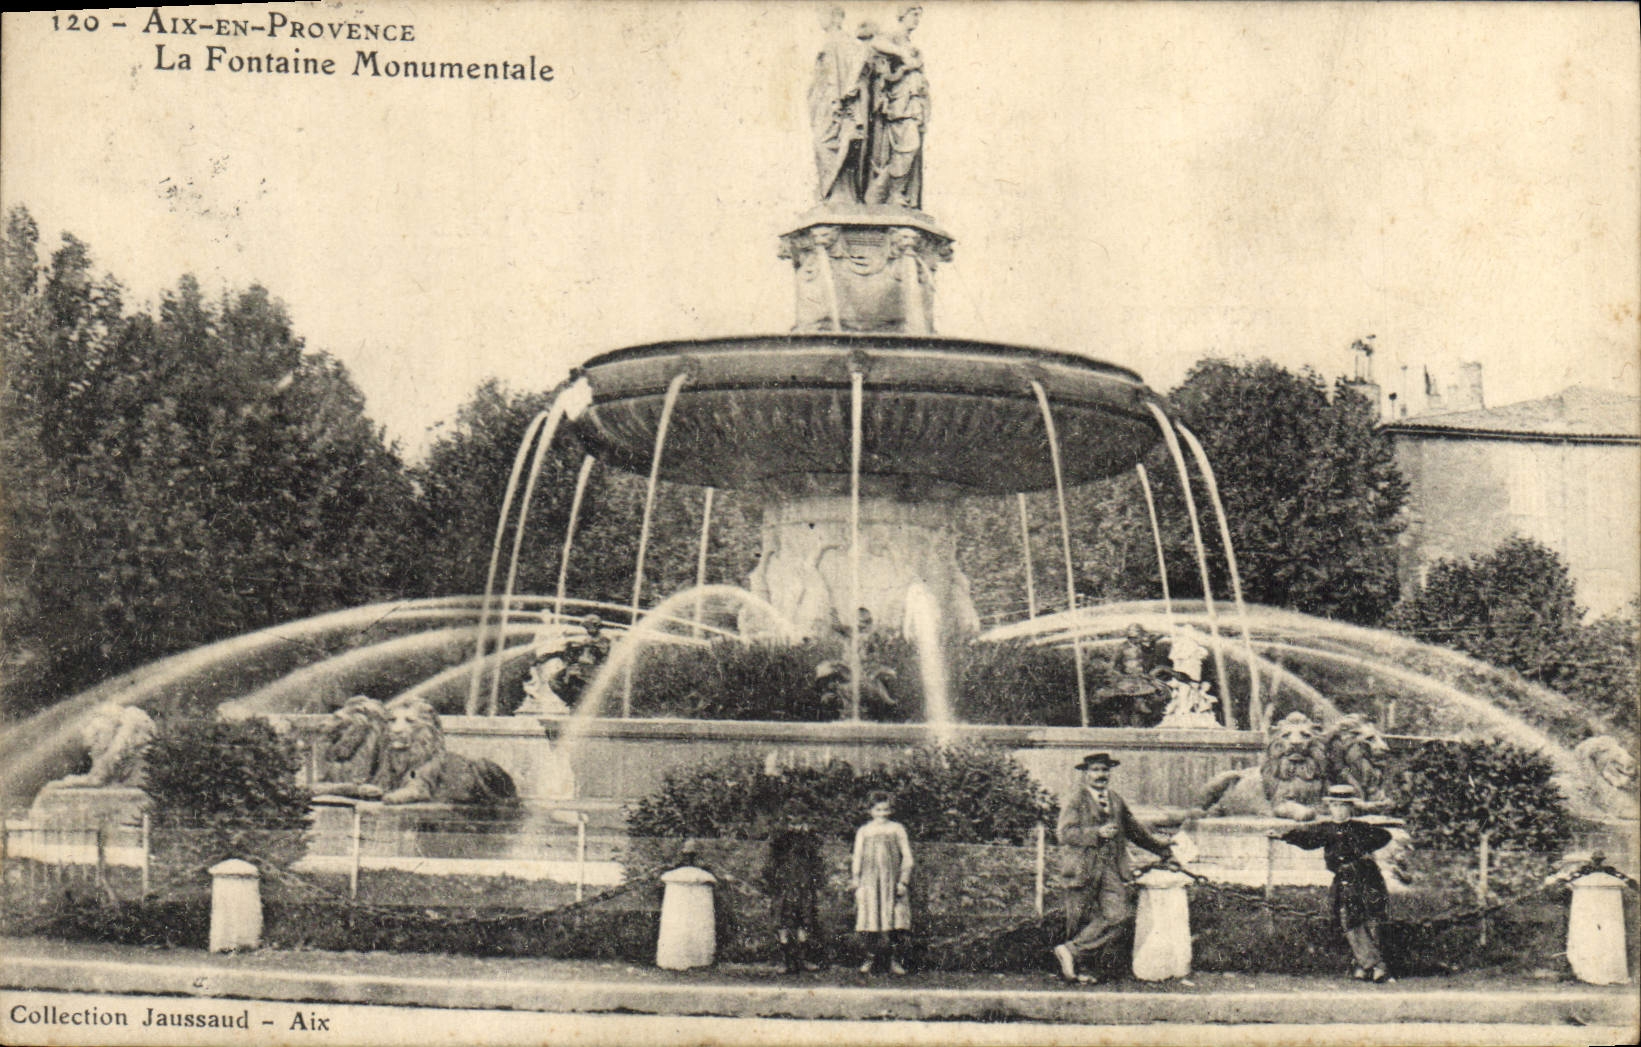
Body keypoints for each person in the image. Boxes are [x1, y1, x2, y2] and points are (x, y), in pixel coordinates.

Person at [1051, 752, 1173, 984]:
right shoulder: (1075, 799)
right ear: (1086, 774)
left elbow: (1135, 831)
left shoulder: (1115, 800)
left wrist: (1164, 850)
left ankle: (1071, 951)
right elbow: (1064, 833)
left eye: (1105, 770)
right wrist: (1096, 833)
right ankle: (1076, 970)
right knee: (1079, 918)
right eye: (1095, 770)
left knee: (1119, 915)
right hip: (1082, 867)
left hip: (1110, 868)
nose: (1100, 775)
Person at [1270, 785, 1396, 982]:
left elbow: (1384, 836)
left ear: (1351, 808)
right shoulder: (1326, 829)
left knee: (1372, 918)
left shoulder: (1360, 828)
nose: (1339, 810)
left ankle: (1368, 965)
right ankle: (1371, 965)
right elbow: (1306, 837)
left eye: (1344, 806)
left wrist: (1363, 849)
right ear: (1330, 807)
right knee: (1347, 918)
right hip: (1344, 878)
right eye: (1335, 805)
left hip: (1367, 876)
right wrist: (1283, 836)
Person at [852, 790, 914, 975]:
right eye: (878, 810)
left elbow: (908, 857)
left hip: (891, 881)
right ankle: (870, 959)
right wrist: (856, 879)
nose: (882, 814)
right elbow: (857, 857)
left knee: (895, 920)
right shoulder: (864, 831)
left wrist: (903, 881)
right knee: (870, 919)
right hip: (870, 882)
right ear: (871, 811)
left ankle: (894, 961)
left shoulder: (897, 829)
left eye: (886, 810)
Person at [763, 810, 827, 974]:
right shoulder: (779, 844)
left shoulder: (809, 844)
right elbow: (769, 866)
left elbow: (817, 865)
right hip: (784, 887)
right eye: (792, 823)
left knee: (804, 922)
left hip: (804, 887)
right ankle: (785, 960)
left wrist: (815, 883)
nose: (795, 828)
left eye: (799, 823)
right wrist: (772, 885)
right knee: (783, 923)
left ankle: (802, 960)